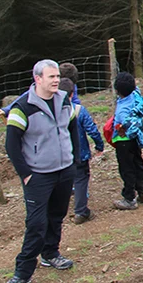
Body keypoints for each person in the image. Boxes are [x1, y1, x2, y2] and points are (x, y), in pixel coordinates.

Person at [1, 60, 80, 283]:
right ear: (38, 79)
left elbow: (72, 129)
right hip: (38, 176)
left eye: (57, 76)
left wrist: (74, 161)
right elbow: (11, 144)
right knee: (36, 224)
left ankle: (51, 254)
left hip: (64, 171)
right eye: (51, 77)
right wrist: (26, 174)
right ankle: (22, 273)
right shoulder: (22, 107)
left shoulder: (64, 100)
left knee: (57, 215)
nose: (56, 80)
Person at [56, 69, 104, 225]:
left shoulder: (51, 112)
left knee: (62, 179)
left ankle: (58, 209)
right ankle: (81, 211)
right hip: (79, 154)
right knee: (81, 180)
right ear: (72, 94)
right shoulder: (78, 110)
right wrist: (99, 145)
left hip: (59, 155)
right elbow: (92, 130)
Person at [111, 72, 143, 211]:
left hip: (123, 140)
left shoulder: (122, 110)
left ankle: (129, 198)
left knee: (126, 169)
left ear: (117, 90)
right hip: (135, 139)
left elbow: (123, 125)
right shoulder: (135, 96)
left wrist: (119, 128)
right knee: (138, 163)